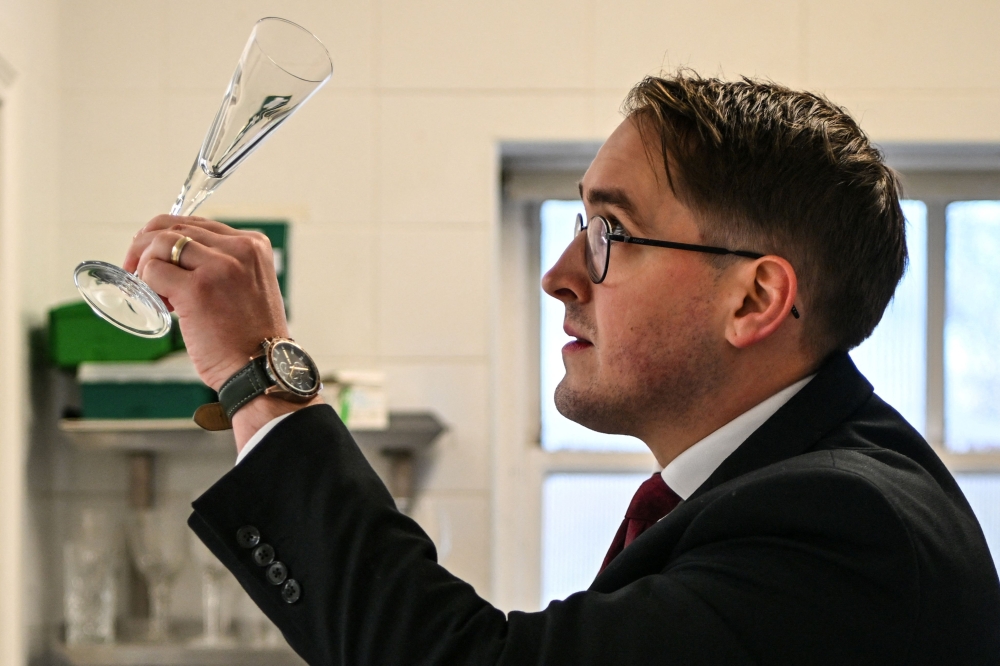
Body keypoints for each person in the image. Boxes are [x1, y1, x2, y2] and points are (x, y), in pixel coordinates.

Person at [125, 71, 1000, 664]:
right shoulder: (809, 486)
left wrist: (258, 373)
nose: (559, 276)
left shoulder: (845, 529)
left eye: (609, 233)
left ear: (755, 301)